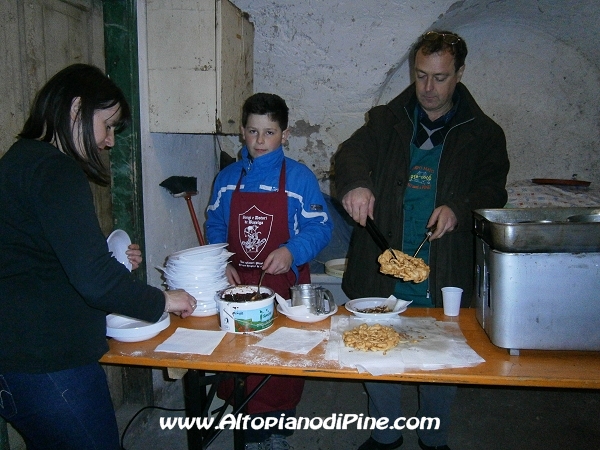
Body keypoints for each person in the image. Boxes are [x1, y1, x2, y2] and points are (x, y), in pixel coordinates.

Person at [0, 63, 197, 450]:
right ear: (76, 109)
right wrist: (163, 300)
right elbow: (92, 280)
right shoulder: (56, 171)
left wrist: (111, 256)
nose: (109, 141)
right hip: (48, 364)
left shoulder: (21, 160)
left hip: (18, 357)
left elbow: (39, 254)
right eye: (107, 125)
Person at [334, 30, 510, 450]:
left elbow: (493, 190)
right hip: (383, 259)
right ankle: (386, 434)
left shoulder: (483, 133)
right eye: (420, 76)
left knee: (440, 354)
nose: (428, 89)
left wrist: (459, 207)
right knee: (378, 350)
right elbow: (349, 155)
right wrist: (357, 184)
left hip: (444, 262)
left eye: (441, 77)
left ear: (460, 73)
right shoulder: (386, 121)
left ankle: (434, 439)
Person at [205, 92, 333, 450]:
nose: (260, 141)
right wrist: (224, 261)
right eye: (252, 131)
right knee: (243, 361)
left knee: (282, 360)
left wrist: (292, 251)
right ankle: (254, 433)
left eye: (270, 132)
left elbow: (321, 227)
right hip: (240, 287)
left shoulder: (299, 178)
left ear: (285, 134)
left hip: (285, 286)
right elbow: (216, 223)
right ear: (242, 132)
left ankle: (275, 425)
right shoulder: (228, 178)